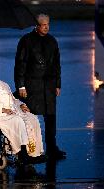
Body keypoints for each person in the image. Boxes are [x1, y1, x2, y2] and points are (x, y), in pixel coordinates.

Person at [14, 14, 66, 159]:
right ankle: (27, 149)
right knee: (28, 116)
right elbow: (20, 64)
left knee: (50, 117)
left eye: (48, 24)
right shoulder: (26, 40)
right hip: (32, 85)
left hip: (49, 85)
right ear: (36, 26)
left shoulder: (52, 41)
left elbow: (57, 64)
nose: (47, 27)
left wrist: (57, 84)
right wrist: (21, 86)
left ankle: (51, 147)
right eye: (44, 25)